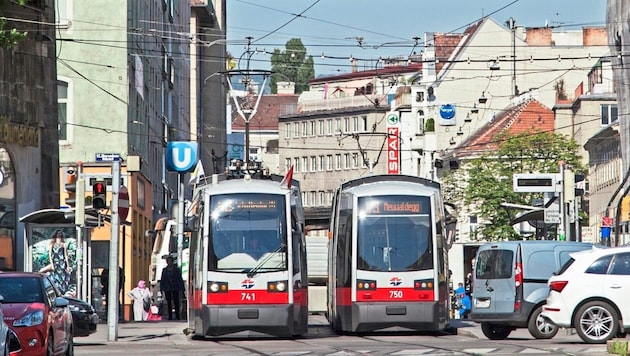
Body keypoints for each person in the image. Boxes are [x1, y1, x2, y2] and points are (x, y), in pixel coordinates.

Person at [39, 230, 71, 294]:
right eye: (58, 237)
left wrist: (67, 265)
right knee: (54, 277)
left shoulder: (63, 245)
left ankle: (62, 291)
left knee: (62, 278)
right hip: (55, 263)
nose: (59, 239)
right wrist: (52, 264)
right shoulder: (52, 244)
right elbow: (50, 255)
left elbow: (66, 255)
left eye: (60, 237)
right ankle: (55, 290)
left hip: (61, 263)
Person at [160, 256, 184, 320]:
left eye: (170, 261)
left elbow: (179, 279)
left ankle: (177, 315)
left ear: (172, 262)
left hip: (175, 287)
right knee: (169, 302)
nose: (169, 262)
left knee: (176, 302)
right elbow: (162, 279)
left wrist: (182, 288)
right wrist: (161, 288)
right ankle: (170, 316)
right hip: (167, 288)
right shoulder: (164, 270)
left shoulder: (176, 269)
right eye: (168, 261)